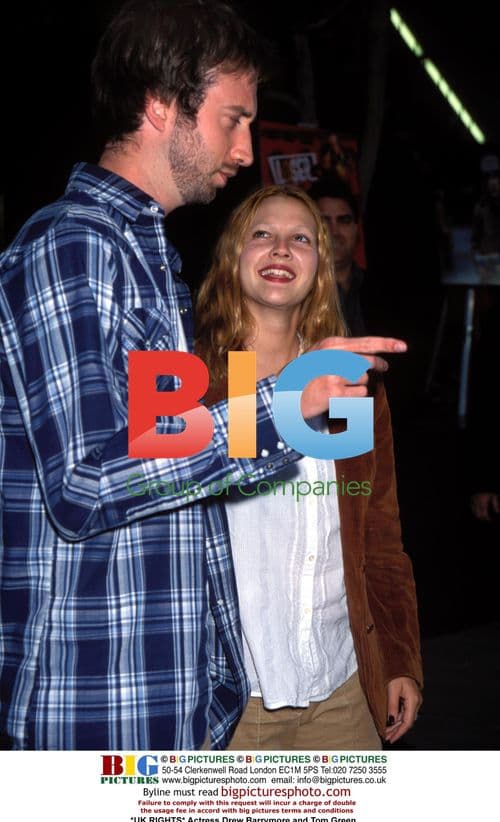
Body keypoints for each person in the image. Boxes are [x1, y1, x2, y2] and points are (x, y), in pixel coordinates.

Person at [0, 0, 407, 750]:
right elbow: (86, 483)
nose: (248, 148)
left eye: (304, 238)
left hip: (198, 695)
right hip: (100, 703)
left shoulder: (149, 264)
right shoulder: (78, 248)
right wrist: (284, 407)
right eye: (234, 118)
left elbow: (361, 512)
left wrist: (397, 652)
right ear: (161, 107)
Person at [196, 184, 423, 749]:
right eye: (262, 235)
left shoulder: (349, 385)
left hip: (342, 689)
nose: (280, 249)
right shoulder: (194, 380)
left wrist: (398, 657)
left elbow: (379, 536)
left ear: (321, 266)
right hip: (227, 704)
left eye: (300, 238)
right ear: (232, 255)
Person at [309, 177, 366, 335]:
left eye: (344, 221)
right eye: (324, 222)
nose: (334, 232)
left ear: (356, 229)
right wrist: (242, 361)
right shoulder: (289, 291)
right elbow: (244, 347)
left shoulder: (385, 290)